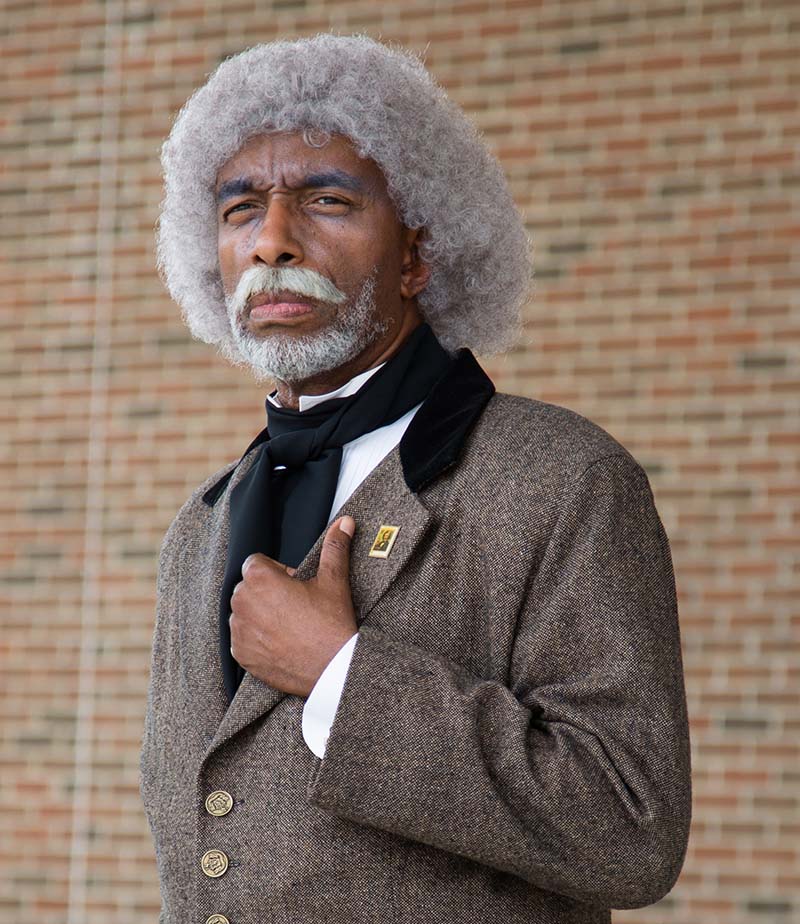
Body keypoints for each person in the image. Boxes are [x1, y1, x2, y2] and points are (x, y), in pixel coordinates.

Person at [140, 33, 692, 924]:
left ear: (417, 255)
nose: (273, 241)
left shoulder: (566, 479)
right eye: (241, 208)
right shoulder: (197, 527)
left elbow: (633, 828)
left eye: (326, 200)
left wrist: (340, 675)